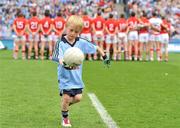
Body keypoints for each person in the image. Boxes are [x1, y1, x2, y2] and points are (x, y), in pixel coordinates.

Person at [52, 15, 110, 127]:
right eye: (71, 30)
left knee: (78, 98)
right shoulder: (60, 42)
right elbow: (56, 57)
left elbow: (95, 47)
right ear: (66, 27)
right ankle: (65, 118)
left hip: (77, 77)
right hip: (65, 77)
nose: (73, 33)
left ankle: (64, 106)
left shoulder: (81, 41)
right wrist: (64, 63)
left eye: (76, 31)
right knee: (66, 97)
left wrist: (104, 56)